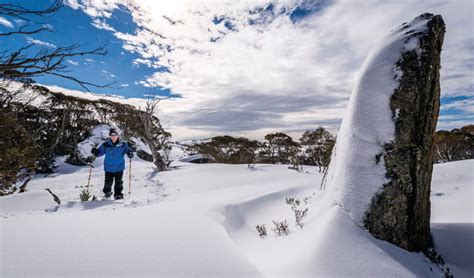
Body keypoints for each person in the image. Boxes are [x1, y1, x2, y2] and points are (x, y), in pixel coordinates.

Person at [91, 128, 134, 200]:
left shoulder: (123, 145)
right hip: (108, 167)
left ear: (117, 135)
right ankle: (107, 193)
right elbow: (99, 152)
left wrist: (130, 153)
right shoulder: (106, 145)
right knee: (108, 182)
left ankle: (118, 195)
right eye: (112, 135)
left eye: (115, 135)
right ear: (110, 136)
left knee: (119, 182)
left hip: (119, 166)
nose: (113, 136)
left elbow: (128, 151)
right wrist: (95, 151)